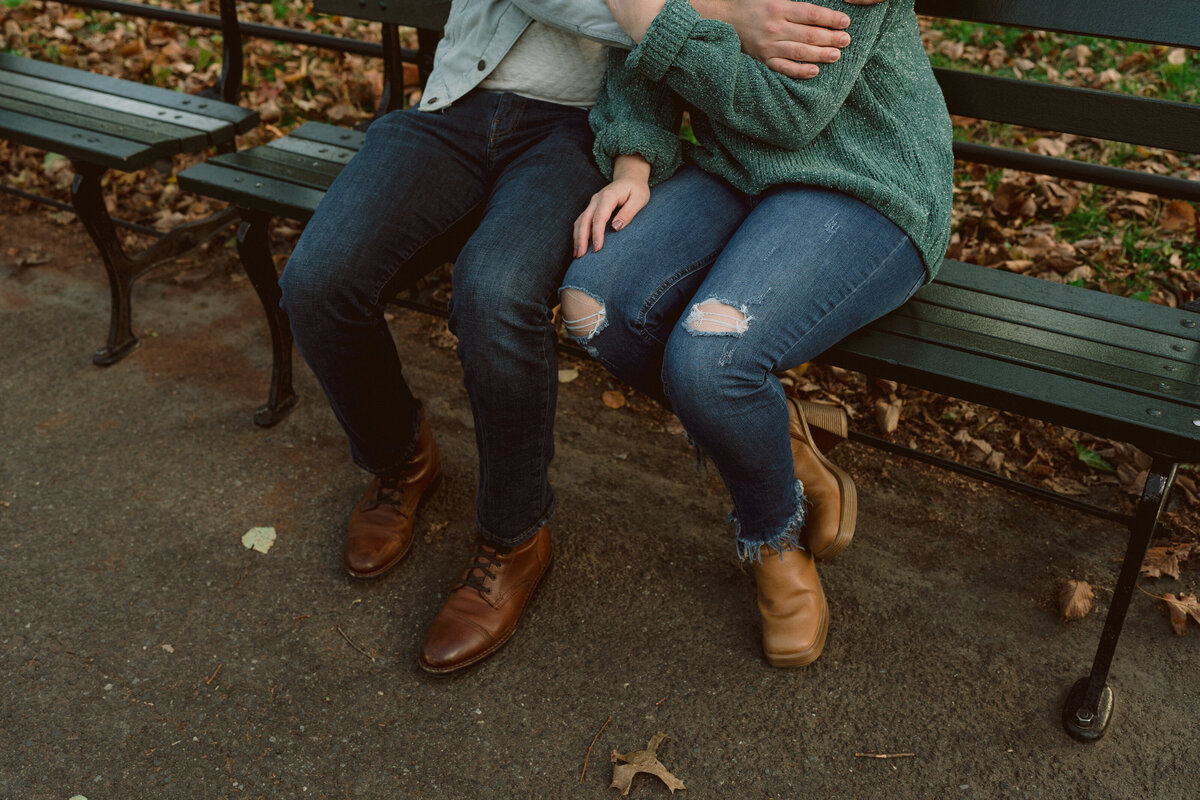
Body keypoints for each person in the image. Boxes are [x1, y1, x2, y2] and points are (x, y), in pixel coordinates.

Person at [278, 0, 888, 674]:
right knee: (317, 282)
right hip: (455, 103)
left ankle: (514, 539)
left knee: (496, 294)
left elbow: (657, 50)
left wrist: (671, 25)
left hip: (581, 130)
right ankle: (400, 460)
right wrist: (722, 14)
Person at [560, 0, 952, 667]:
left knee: (710, 362)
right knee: (592, 305)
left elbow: (787, 112)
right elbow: (641, 56)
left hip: (865, 180)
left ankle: (772, 535)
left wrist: (651, 15)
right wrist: (632, 163)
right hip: (736, 170)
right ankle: (781, 447)